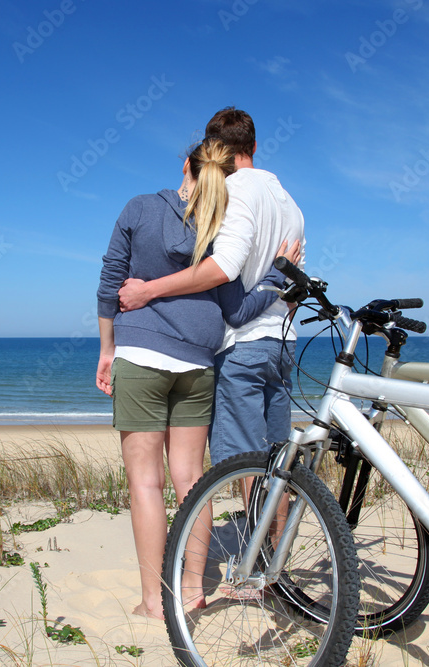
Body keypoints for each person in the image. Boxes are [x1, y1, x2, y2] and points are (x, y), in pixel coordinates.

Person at [96, 137, 299, 619]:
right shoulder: (218, 225)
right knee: (192, 479)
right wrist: (276, 278)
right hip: (200, 362)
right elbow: (236, 307)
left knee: (146, 483)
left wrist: (107, 350)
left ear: (185, 165)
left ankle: (153, 601)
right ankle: (192, 590)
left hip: (142, 353)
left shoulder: (140, 208)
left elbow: (109, 284)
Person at [118, 107, 306, 465]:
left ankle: (252, 525)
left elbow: (223, 267)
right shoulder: (290, 203)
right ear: (254, 145)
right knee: (277, 460)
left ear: (212, 149)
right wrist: (277, 280)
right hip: (282, 343)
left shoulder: (231, 190)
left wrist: (148, 290)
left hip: (242, 349)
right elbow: (294, 291)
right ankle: (276, 525)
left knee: (243, 463)